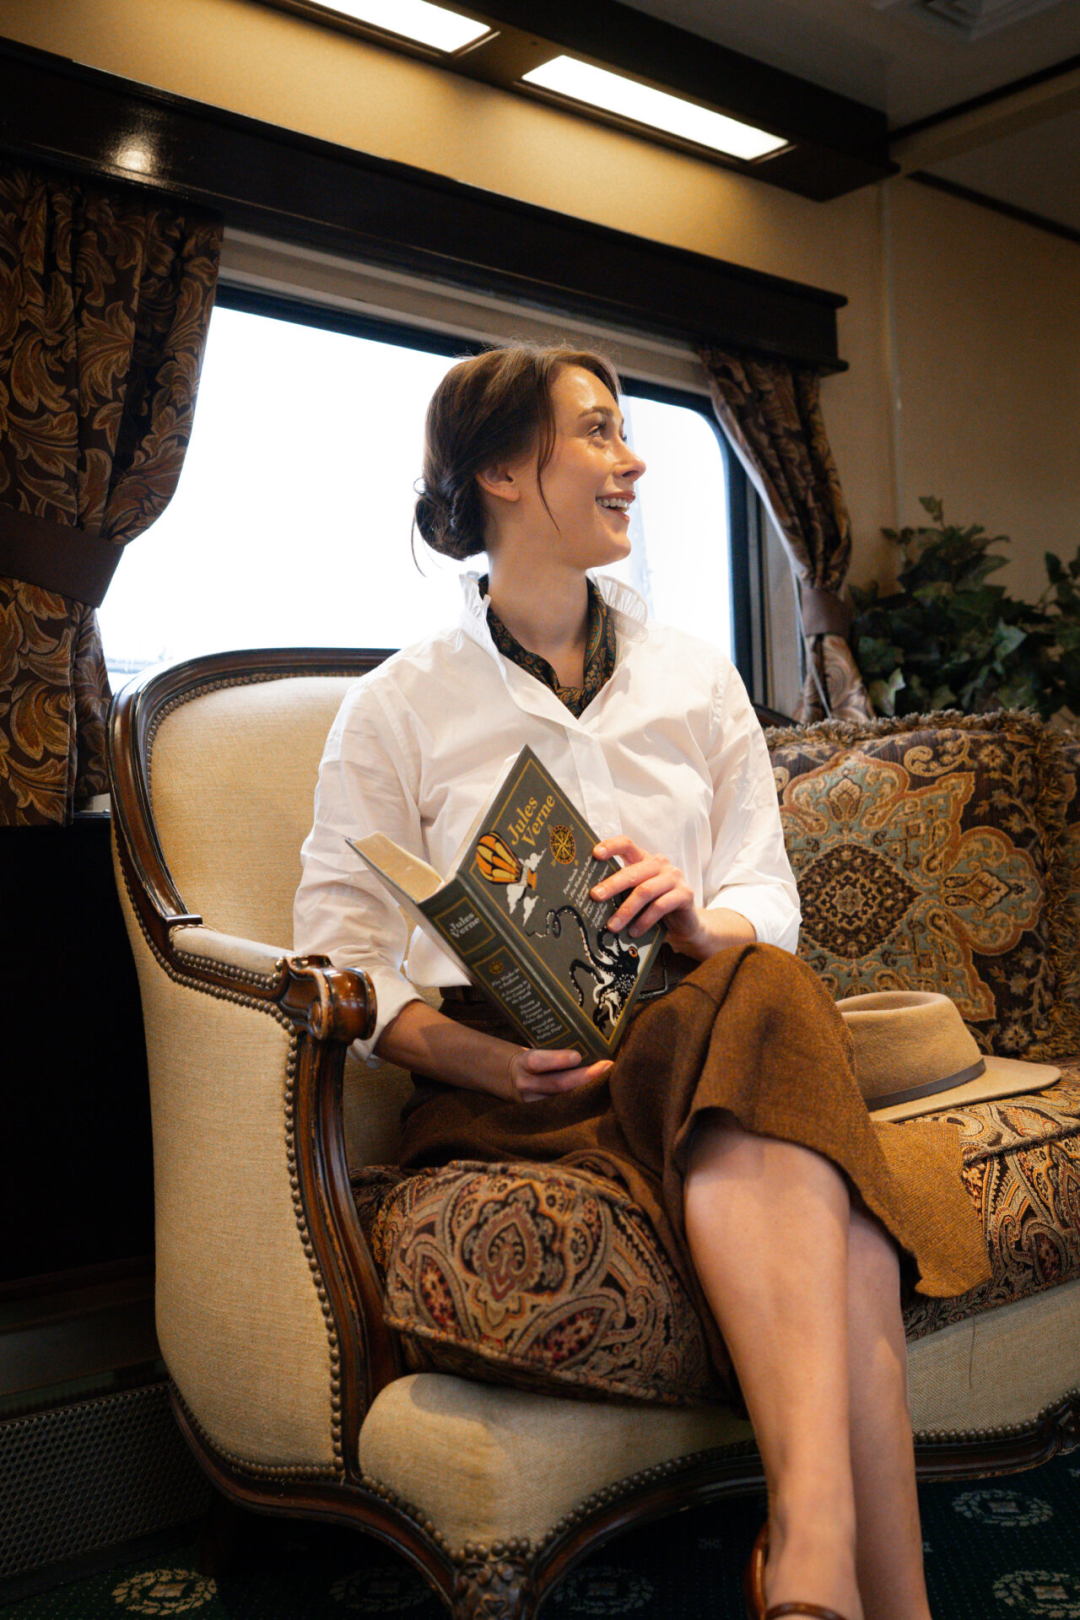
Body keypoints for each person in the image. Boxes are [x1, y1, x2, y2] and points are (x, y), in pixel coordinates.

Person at [294, 343, 989, 1620]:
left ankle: (812, 1551)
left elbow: (766, 893)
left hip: (700, 1022)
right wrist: (482, 1057)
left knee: (759, 982)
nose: (635, 461)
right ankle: (874, 1588)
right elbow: (343, 960)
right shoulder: (397, 707)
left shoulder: (696, 677)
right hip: (522, 1083)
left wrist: (698, 918)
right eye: (599, 432)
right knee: (839, 1208)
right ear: (503, 471)